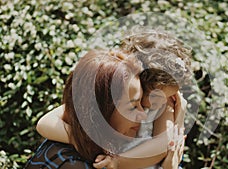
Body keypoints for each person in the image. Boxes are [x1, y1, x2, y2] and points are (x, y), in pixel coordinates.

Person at [35, 29, 192, 168]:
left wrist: (118, 162)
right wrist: (89, 140)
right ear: (142, 81)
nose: (165, 101)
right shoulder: (115, 88)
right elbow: (45, 124)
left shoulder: (166, 103)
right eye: (159, 96)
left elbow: (164, 144)